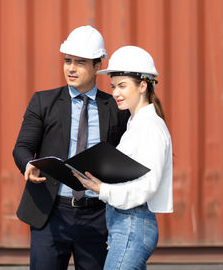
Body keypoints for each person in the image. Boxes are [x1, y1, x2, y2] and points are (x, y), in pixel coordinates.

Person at [12, 25, 129, 270]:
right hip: (51, 214)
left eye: (80, 62)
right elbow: (22, 147)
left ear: (98, 66)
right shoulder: (43, 102)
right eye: (67, 61)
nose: (71, 68)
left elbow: (125, 158)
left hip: (98, 216)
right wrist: (29, 164)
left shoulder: (115, 108)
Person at [72, 45, 173, 269]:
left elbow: (149, 185)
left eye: (122, 86)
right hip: (124, 224)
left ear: (143, 86)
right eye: (113, 87)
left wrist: (102, 189)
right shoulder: (136, 123)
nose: (115, 92)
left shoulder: (149, 126)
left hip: (133, 225)